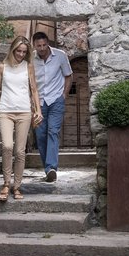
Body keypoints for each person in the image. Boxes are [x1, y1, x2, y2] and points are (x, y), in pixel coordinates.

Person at [0, 35, 42, 201]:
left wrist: (38, 110)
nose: (20, 54)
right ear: (12, 49)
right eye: (18, 51)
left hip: (24, 112)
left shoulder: (29, 66)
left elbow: (34, 90)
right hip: (5, 111)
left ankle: (16, 187)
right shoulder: (2, 66)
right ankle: (5, 184)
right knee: (6, 146)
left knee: (19, 151)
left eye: (24, 52)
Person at [32, 31, 73, 183]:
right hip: (39, 102)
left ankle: (51, 168)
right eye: (38, 46)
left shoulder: (60, 55)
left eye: (44, 45)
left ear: (47, 43)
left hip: (56, 100)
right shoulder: (31, 59)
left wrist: (64, 95)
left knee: (53, 131)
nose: (42, 49)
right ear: (34, 46)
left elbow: (69, 75)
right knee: (40, 135)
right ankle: (48, 169)